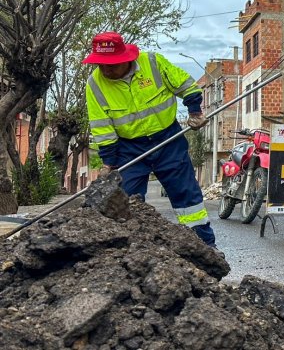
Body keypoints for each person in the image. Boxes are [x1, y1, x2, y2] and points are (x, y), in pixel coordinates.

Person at [83, 32, 216, 247]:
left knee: (187, 196)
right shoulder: (95, 84)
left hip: (168, 140)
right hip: (129, 148)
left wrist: (194, 111)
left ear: (125, 58)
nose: (105, 69)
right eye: (101, 64)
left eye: (111, 64)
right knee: (127, 200)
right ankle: (136, 249)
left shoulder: (152, 62)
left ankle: (204, 245)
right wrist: (109, 162)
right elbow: (102, 127)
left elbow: (186, 85)